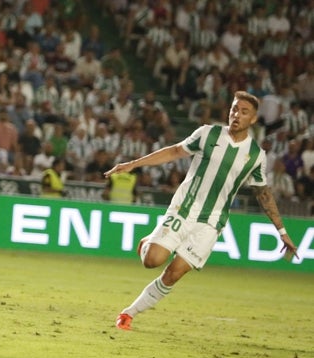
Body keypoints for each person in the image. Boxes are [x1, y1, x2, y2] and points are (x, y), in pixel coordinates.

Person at [105, 91, 299, 330]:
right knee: (151, 261)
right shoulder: (208, 133)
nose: (236, 114)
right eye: (234, 109)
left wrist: (281, 231)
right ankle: (149, 241)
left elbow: (263, 194)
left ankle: (128, 314)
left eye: (243, 111)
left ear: (254, 119)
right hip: (184, 208)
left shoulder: (257, 156)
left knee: (174, 274)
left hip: (211, 222)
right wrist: (133, 164)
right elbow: (175, 151)